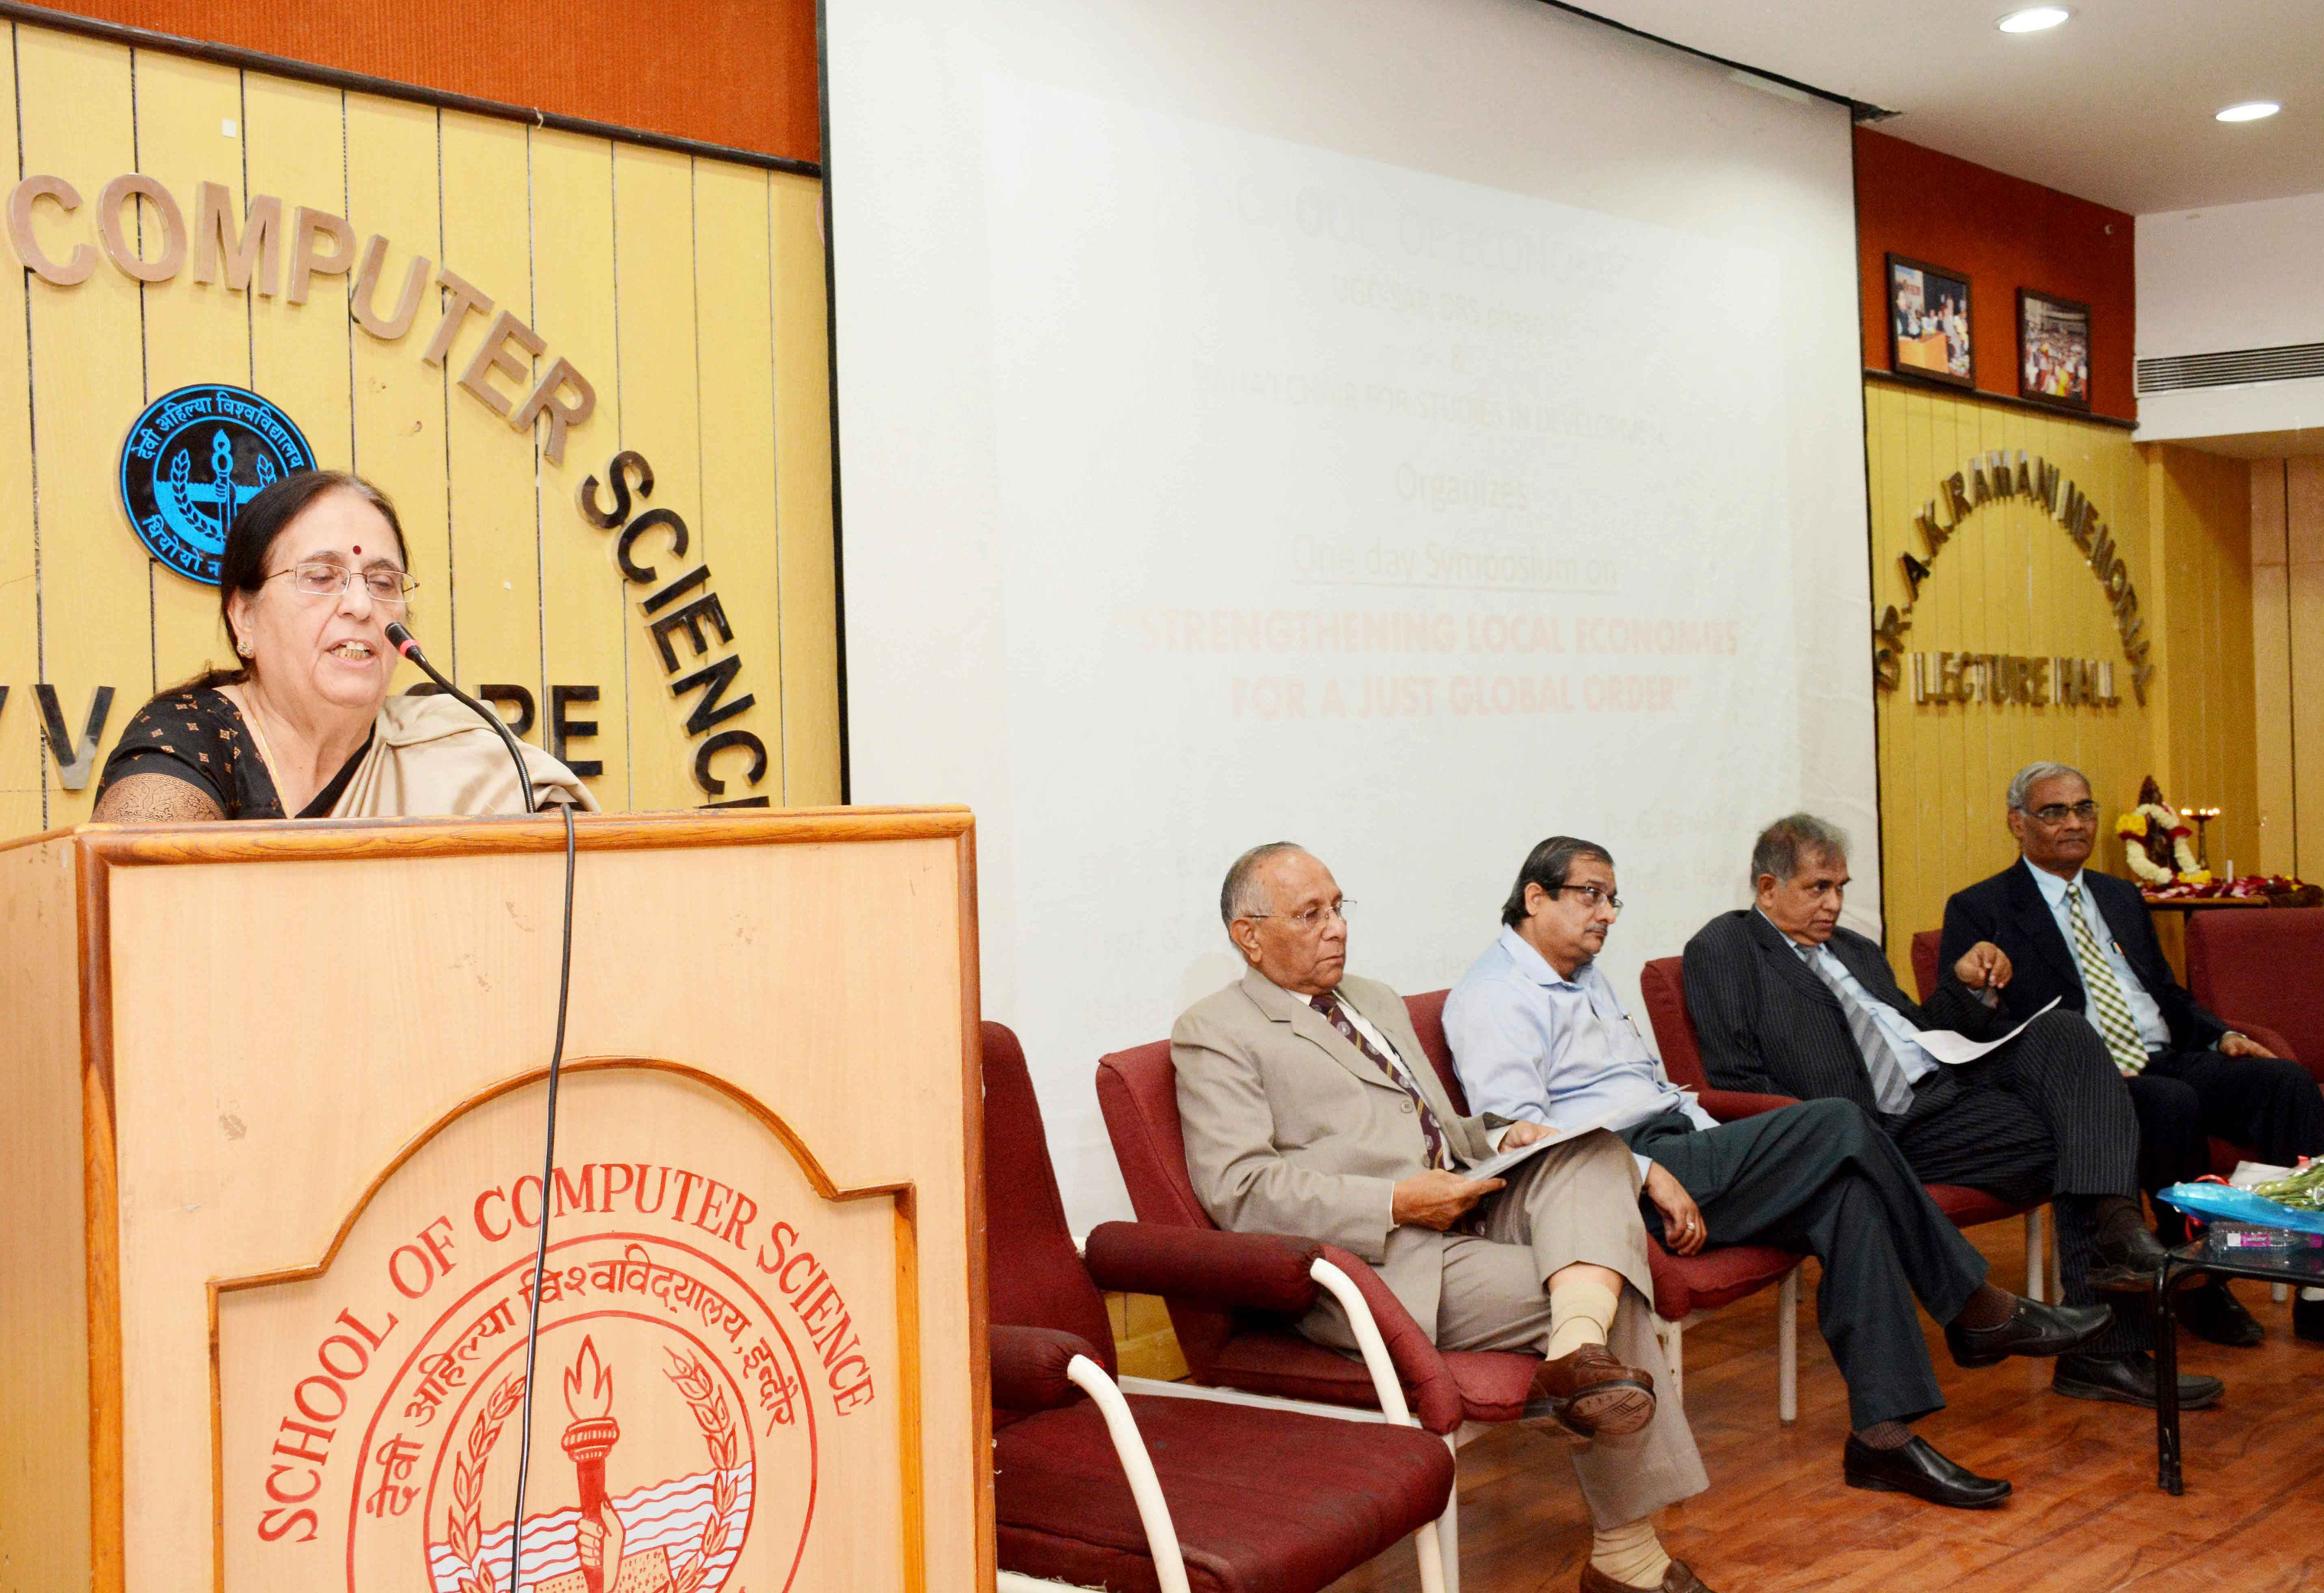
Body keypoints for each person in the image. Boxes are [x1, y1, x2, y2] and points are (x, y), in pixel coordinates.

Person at [1446, 836, 2109, 1509]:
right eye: (1590, 895)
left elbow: (1651, 1088)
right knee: (1840, 1122)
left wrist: (1711, 1135)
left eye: (1613, 898)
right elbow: (1521, 1144)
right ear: (1535, 897)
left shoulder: (1584, 974)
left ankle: (1881, 1439)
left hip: (1682, 1143)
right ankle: (1975, 1306)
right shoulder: (1495, 997)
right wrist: (1645, 1170)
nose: (1608, 913)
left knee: (1848, 1193)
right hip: (1614, 1181)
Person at [1175, 843, 1717, 1593]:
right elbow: (1238, 1189)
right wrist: (1396, 1202)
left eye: (1338, 906)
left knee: (1592, 1147)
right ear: (1249, 935)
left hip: (1463, 1199)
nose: (1336, 926)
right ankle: (1625, 1555)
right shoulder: (1214, 1030)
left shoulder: (1372, 997)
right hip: (1378, 1255)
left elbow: (1435, 1126)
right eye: (1310, 914)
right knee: (1607, 1281)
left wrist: (1501, 1134)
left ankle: (1573, 1353)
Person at [1683, 814, 2225, 1413]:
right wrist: (1820, 1128)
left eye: (1841, 887)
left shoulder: (1855, 949)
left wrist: (1968, 990)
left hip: (1942, 1099)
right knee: (2088, 1137)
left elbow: (1918, 1032)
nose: (1834, 903)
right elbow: (1735, 1075)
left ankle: (2117, 1235)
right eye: (1819, 888)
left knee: (2068, 1039)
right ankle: (2105, 1346)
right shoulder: (1726, 947)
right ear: (1767, 888)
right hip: (1864, 1130)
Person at [1942, 761, 2324, 1349]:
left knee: (2286, 1082)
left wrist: (2221, 1035)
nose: (2075, 823)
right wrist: (2079, 1063)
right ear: (2017, 823)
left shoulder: (2120, 895)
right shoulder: (1981, 906)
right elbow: (1974, 1023)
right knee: (2170, 1102)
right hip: (2085, 1077)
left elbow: (2166, 992)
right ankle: (2196, 1277)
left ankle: (2311, 1278)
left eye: (2084, 808)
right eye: (2055, 811)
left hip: (2163, 1052)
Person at [91, 471, 593, 823]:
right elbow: (136, 896)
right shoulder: (188, 738)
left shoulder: (446, 744)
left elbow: (581, 868)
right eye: (320, 576)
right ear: (244, 617)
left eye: (383, 581)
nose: (360, 604)